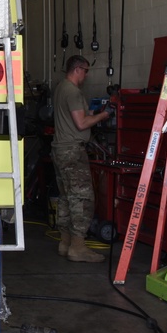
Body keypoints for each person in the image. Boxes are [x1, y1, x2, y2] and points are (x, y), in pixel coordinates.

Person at [51, 55, 112, 263]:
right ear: (78, 69)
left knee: (67, 197)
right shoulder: (73, 91)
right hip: (72, 152)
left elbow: (75, 116)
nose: (86, 75)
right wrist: (104, 116)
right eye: (86, 71)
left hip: (59, 149)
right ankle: (78, 247)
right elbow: (81, 124)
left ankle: (65, 243)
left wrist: (93, 111)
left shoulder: (60, 88)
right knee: (82, 199)